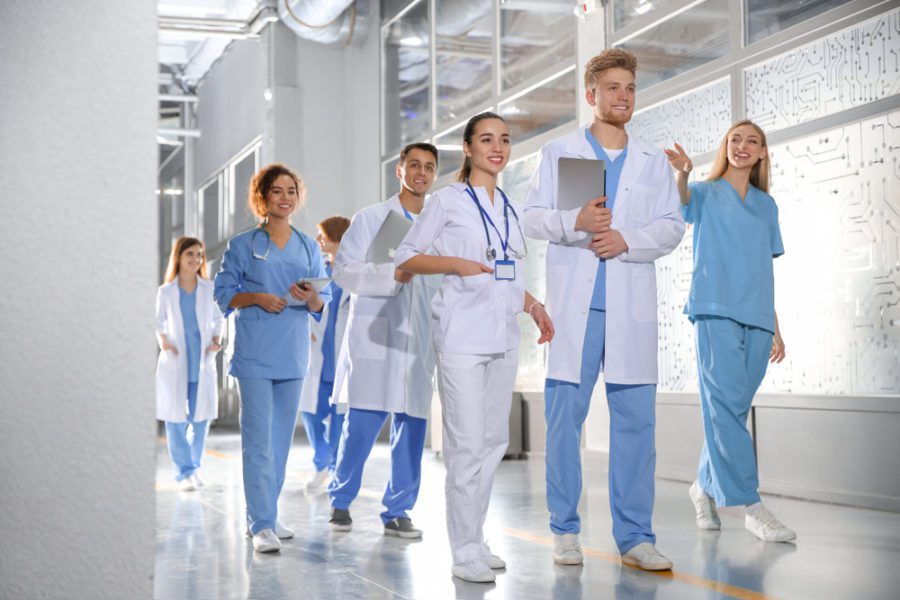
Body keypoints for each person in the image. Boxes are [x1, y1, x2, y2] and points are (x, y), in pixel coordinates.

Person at [521, 48, 684, 571]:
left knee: (636, 425)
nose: (623, 97)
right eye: (612, 87)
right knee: (564, 420)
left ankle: (635, 535)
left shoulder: (652, 161)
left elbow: (671, 226)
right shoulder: (560, 153)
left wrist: (625, 239)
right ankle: (565, 531)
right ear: (591, 95)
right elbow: (530, 217)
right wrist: (576, 221)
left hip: (629, 307)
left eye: (630, 88)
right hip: (576, 309)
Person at [395, 113, 555, 584]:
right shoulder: (446, 202)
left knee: (492, 444)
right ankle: (462, 549)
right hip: (462, 337)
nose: (498, 147)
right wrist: (456, 264)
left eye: (504, 139)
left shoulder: (507, 204)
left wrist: (534, 305)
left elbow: (505, 270)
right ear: (467, 148)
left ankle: (476, 537)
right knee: (465, 447)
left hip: (503, 335)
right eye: (486, 139)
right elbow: (406, 256)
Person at [665, 120, 793, 542]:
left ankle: (702, 487)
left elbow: (762, 269)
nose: (742, 146)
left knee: (731, 412)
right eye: (735, 139)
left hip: (757, 317)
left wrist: (775, 327)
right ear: (725, 147)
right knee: (722, 407)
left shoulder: (766, 206)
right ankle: (751, 506)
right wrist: (682, 172)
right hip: (714, 310)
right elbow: (682, 202)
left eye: (751, 141)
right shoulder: (705, 192)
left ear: (761, 154)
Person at [213, 163, 330, 553]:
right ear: (262, 197)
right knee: (258, 441)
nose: (285, 198)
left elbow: (319, 300)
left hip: (293, 352)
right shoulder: (243, 244)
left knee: (280, 442)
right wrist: (258, 297)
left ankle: (268, 513)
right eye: (276, 191)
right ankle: (260, 523)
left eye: (291, 191)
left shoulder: (308, 245)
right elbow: (224, 293)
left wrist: (308, 295)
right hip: (255, 353)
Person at [326, 143, 440, 540]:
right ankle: (341, 498)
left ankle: (398, 509)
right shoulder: (372, 218)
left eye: (428, 167)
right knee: (362, 424)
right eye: (414, 165)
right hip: (376, 334)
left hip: (418, 337)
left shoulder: (440, 222)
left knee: (411, 426)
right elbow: (344, 271)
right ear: (400, 170)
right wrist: (394, 274)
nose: (421, 173)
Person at [155, 236, 225, 492]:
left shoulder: (208, 289)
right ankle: (183, 472)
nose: (196, 260)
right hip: (176, 362)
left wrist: (216, 340)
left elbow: (218, 318)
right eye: (190, 255)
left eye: (199, 255)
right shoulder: (166, 291)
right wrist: (164, 342)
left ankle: (193, 468)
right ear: (179, 258)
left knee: (201, 419)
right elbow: (159, 321)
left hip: (201, 361)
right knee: (175, 420)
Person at [300, 215, 351, 492]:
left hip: (344, 358)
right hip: (318, 359)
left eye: (323, 236)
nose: (319, 240)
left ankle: (331, 469)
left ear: (338, 238)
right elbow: (304, 305)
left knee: (340, 420)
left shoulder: (355, 273)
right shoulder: (317, 272)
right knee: (310, 415)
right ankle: (322, 461)